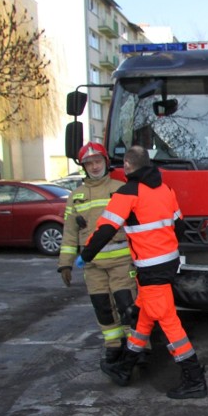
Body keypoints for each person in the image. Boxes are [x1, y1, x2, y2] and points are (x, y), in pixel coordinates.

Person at [78, 145, 207, 399]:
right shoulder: (165, 189)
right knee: (143, 318)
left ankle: (194, 379)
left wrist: (85, 255)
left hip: (150, 269)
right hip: (167, 264)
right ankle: (124, 368)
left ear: (127, 165)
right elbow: (180, 226)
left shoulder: (127, 193)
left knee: (170, 324)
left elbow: (105, 230)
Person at [57, 142, 136, 366]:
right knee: (102, 308)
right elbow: (70, 234)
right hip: (92, 267)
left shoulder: (121, 188)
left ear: (106, 162)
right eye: (89, 163)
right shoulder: (76, 197)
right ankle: (113, 346)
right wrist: (65, 264)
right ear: (83, 166)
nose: (93, 167)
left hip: (122, 261)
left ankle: (137, 349)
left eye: (97, 161)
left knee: (128, 306)